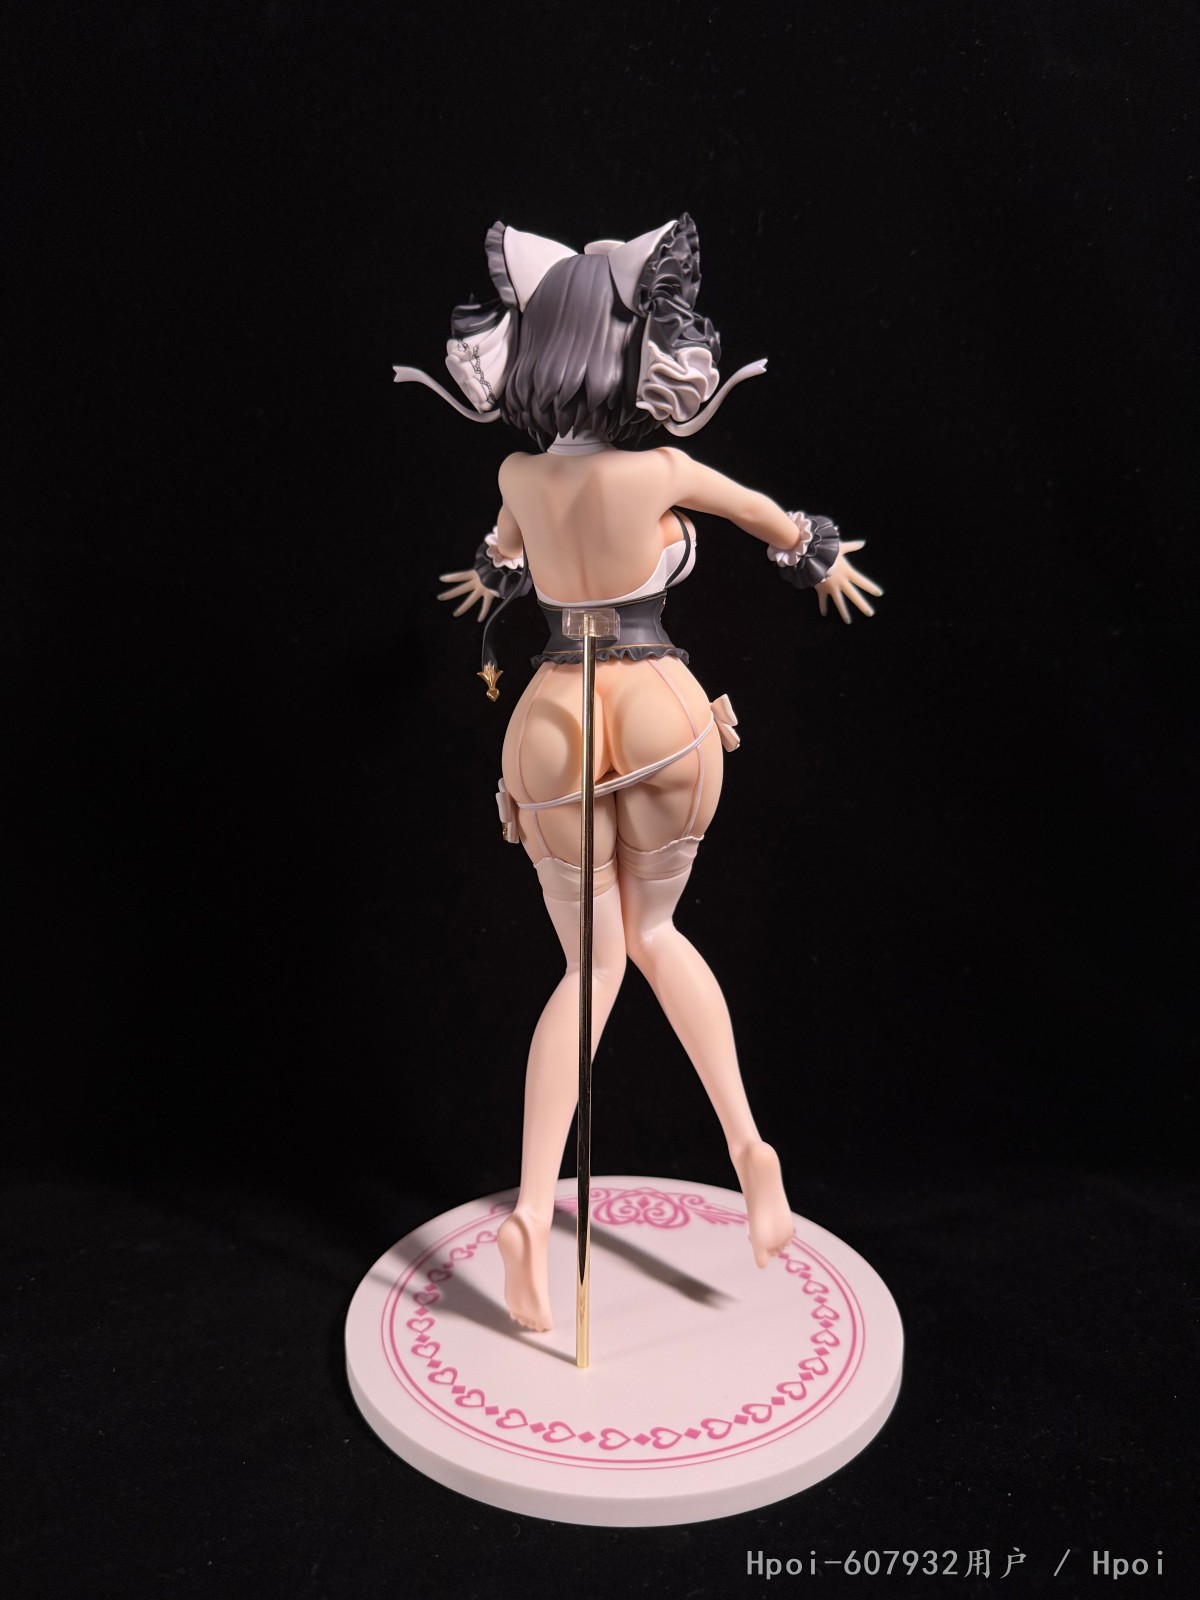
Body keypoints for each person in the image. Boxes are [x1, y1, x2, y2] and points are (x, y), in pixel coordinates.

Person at [396, 216, 880, 1331]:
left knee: (588, 967)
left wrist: (488, 583)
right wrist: (821, 562)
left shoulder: (517, 472)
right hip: (658, 705)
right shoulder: (661, 467)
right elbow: (778, 527)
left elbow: (500, 559)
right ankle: (750, 1150)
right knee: (655, 935)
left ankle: (531, 1208)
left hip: (549, 719)